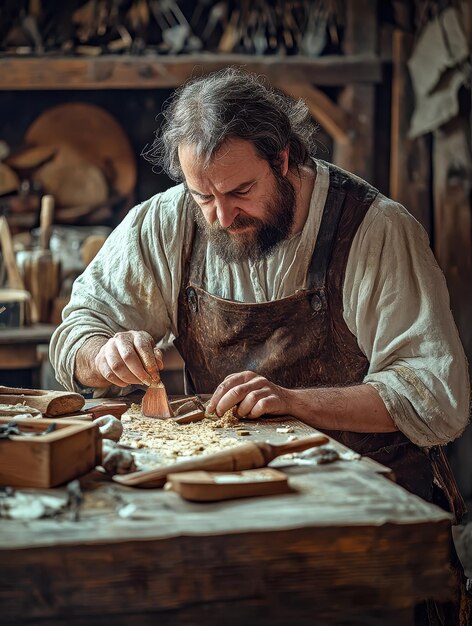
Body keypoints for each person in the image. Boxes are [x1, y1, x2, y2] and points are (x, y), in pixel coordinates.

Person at [51, 68, 469, 512]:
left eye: (241, 191)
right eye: (203, 197)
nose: (223, 218)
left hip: (367, 494)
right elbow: (78, 330)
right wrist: (102, 355)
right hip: (226, 488)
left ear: (283, 159)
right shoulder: (167, 223)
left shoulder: (374, 229)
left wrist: (294, 403)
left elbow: (433, 394)